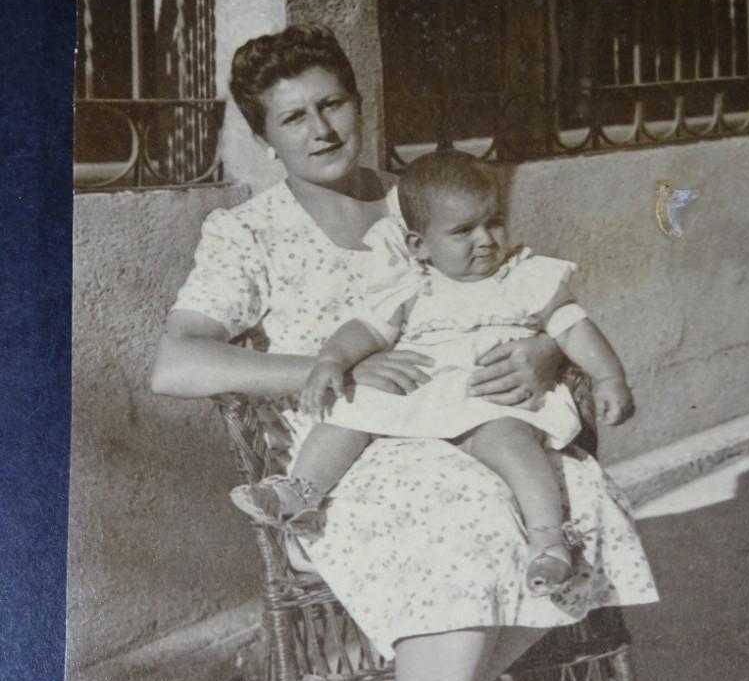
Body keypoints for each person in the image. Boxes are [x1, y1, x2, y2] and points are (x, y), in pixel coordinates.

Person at [151, 23, 659, 681]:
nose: (319, 128)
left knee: (575, 504)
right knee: (468, 525)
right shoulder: (250, 233)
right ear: (264, 138)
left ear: (359, 101)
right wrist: (328, 368)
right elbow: (177, 365)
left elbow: (518, 294)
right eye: (291, 117)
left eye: (333, 103)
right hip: (348, 450)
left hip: (472, 425)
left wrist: (542, 355)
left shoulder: (417, 202)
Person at [230, 149, 635, 596]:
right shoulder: (413, 284)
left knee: (511, 442)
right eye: (463, 231)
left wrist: (608, 377)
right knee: (349, 412)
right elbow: (366, 327)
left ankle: (549, 544)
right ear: (419, 246)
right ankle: (300, 492)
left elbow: (573, 327)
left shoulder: (523, 277)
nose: (485, 240)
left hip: (493, 398)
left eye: (494, 222)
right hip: (424, 390)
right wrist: (332, 360)